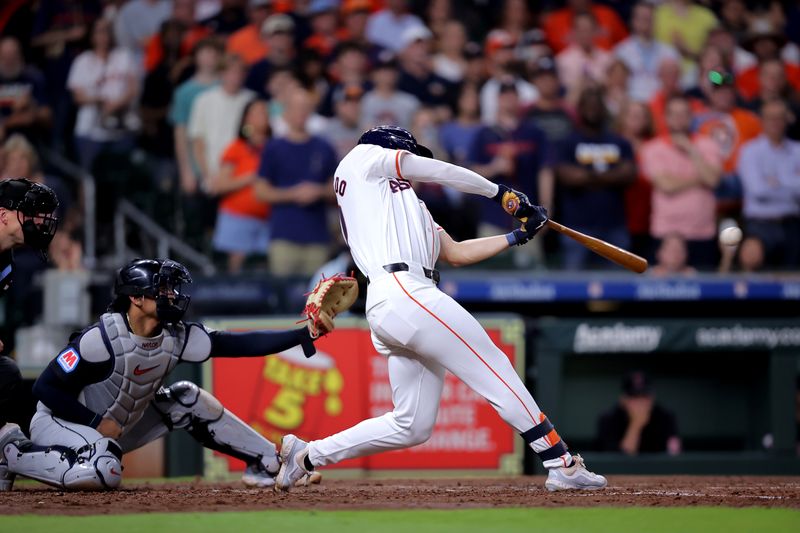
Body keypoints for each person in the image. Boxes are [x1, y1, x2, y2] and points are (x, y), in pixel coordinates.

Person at [274, 125, 607, 492]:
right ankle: (560, 462)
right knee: (493, 365)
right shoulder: (362, 158)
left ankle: (305, 456)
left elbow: (456, 252)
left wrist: (517, 235)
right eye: (411, 154)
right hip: (404, 290)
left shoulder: (400, 204)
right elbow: (439, 171)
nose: (415, 165)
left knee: (411, 424)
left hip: (399, 301)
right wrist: (500, 193)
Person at [0, 258, 324, 492]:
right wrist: (94, 422)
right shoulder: (100, 338)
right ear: (136, 298)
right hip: (60, 424)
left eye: (170, 289)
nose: (171, 296)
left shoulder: (177, 335)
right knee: (103, 472)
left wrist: (299, 335)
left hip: (113, 429)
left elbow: (239, 343)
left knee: (188, 398)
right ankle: (12, 451)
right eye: (161, 290)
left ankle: (268, 463)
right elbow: (45, 388)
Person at [0, 178, 59, 492]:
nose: (39, 222)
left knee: (5, 372)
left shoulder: (6, 265)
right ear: (3, 215)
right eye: (31, 214)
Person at [256, 90, 336, 277]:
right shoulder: (274, 148)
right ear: (286, 112)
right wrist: (294, 194)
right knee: (283, 297)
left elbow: (338, 188)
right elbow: (260, 191)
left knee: (317, 299)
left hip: (317, 236)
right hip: (284, 237)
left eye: (305, 108)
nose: (301, 113)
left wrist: (319, 191)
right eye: (296, 108)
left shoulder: (324, 147)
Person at [554, 87, 636, 270]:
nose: (593, 109)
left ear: (603, 108)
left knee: (618, 288)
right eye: (588, 105)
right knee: (573, 290)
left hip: (615, 226)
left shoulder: (619, 142)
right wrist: (609, 176)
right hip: (577, 228)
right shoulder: (568, 142)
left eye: (596, 105)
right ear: (580, 109)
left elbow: (629, 173)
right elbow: (567, 177)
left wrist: (587, 175)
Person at [640, 95, 722, 269]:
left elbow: (713, 180)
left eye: (684, 114)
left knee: (706, 292)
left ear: (692, 117)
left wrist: (692, 150)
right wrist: (700, 179)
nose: (679, 119)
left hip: (702, 232)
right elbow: (666, 185)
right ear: (666, 118)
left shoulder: (708, 145)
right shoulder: (653, 148)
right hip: (665, 232)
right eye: (674, 114)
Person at [67, 18, 140, 172]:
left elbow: (133, 88)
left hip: (121, 128)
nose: (103, 35)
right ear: (92, 36)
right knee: (88, 177)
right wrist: (100, 100)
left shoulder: (123, 57)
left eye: (106, 31)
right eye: (99, 31)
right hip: (89, 130)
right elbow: (77, 97)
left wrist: (116, 104)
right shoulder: (82, 61)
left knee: (122, 177)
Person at [209, 99, 272, 274]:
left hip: (268, 219)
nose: (262, 117)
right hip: (237, 217)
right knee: (236, 272)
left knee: (263, 270)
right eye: (256, 112)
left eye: (264, 112)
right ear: (245, 118)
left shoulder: (274, 147)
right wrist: (251, 177)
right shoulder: (236, 147)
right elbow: (219, 185)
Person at [737, 100, 800, 269]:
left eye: (779, 118)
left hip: (793, 225)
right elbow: (758, 191)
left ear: (787, 119)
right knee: (757, 281)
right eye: (770, 118)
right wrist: (792, 182)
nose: (775, 123)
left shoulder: (797, 151)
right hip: (760, 226)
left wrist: (775, 182)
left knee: (793, 282)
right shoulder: (749, 151)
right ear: (762, 120)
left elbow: (768, 190)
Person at [188, 53, 255, 192]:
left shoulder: (251, 100)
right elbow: (198, 142)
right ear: (221, 73)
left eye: (239, 72)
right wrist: (207, 175)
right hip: (210, 174)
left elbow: (250, 135)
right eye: (230, 72)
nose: (235, 77)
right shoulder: (204, 101)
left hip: (239, 176)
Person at [170, 38, 223, 196]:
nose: (210, 58)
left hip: (224, 164)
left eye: (215, 54)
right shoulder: (184, 92)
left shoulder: (228, 87)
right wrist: (186, 171)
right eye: (206, 53)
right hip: (196, 165)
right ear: (196, 57)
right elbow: (180, 133)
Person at [596, 371, 681, 455]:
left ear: (652, 397)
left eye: (644, 396)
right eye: (634, 396)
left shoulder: (665, 417)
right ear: (623, 399)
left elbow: (673, 455)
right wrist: (636, 425)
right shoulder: (609, 419)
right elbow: (619, 461)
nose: (640, 402)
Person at [614, 2, 680, 103]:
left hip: (662, 105)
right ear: (633, 21)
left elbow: (678, 83)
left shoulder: (669, 52)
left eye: (649, 19)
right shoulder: (621, 52)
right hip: (631, 105)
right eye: (641, 18)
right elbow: (616, 87)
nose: (645, 23)